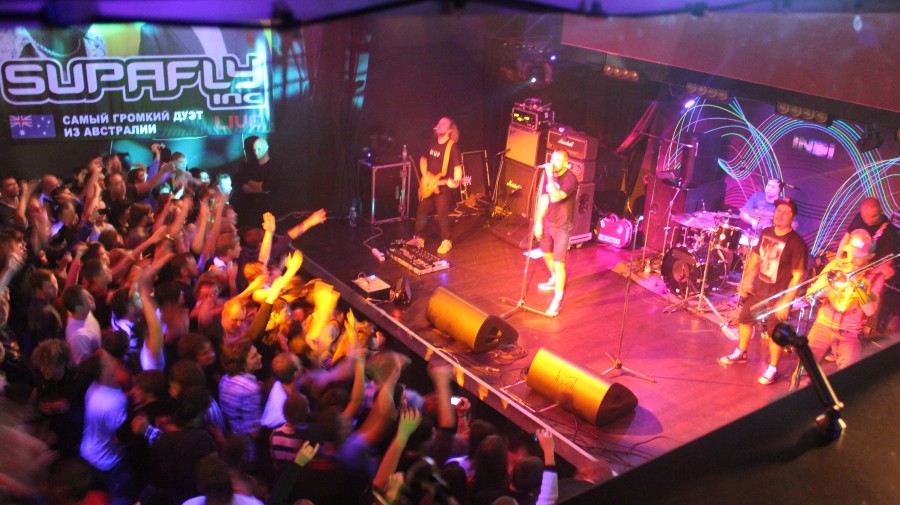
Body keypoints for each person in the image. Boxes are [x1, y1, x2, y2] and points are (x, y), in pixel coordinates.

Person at [720, 198, 808, 385]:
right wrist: (747, 279)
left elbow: (798, 275)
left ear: (792, 217)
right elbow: (756, 258)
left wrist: (786, 301)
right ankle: (742, 351)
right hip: (760, 289)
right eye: (778, 211)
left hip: (778, 295)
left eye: (785, 213)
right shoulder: (767, 232)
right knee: (745, 318)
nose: (780, 215)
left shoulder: (797, 243)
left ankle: (773, 368)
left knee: (774, 331)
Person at [798, 230, 884, 378]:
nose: (852, 258)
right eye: (850, 252)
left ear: (871, 256)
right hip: (822, 325)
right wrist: (824, 291)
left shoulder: (876, 276)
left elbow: (870, 310)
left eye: (858, 255)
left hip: (849, 334)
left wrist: (857, 282)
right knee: (804, 370)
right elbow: (812, 291)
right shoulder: (837, 265)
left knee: (848, 378)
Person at [836, 197, 899, 333]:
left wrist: (867, 271)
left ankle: (859, 328)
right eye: (865, 216)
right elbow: (847, 236)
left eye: (873, 216)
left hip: (869, 274)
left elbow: (887, 265)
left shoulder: (889, 232)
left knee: (864, 305)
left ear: (881, 211)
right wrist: (838, 260)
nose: (868, 220)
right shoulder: (859, 217)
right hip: (850, 266)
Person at [407, 117, 463, 255]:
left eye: (443, 124)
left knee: (442, 215)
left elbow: (457, 169)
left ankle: (446, 241)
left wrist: (455, 182)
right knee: (421, 211)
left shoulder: (452, 147)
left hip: (443, 186)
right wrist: (425, 176)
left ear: (449, 130)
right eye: (438, 123)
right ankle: (419, 238)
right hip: (429, 184)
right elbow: (423, 159)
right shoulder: (431, 143)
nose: (439, 125)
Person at [534, 149, 579, 317]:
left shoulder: (571, 179)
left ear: (566, 163)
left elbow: (555, 197)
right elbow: (545, 199)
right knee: (546, 253)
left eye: (558, 160)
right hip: (548, 222)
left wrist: (550, 176)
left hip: (562, 226)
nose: (553, 162)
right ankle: (553, 279)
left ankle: (557, 300)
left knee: (559, 263)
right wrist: (538, 221)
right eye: (552, 158)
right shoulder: (550, 175)